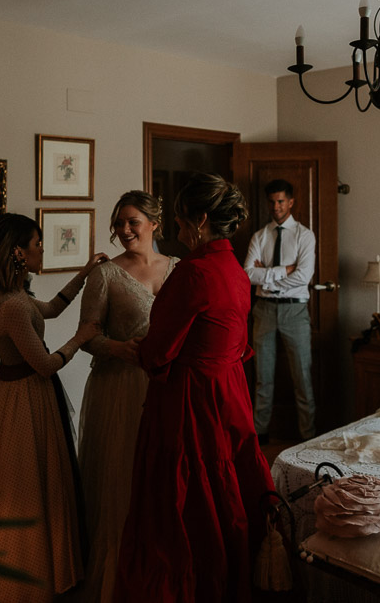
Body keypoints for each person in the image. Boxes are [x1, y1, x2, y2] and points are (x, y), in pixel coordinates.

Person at [115, 173, 275, 603]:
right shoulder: (235, 270)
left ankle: (192, 583)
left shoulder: (194, 273)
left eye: (183, 222)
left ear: (201, 220)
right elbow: (239, 343)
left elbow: (159, 350)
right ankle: (230, 573)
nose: (180, 230)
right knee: (225, 483)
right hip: (229, 390)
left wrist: (138, 351)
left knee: (183, 498)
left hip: (191, 397)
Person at [0, 212, 107, 603]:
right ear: (18, 252)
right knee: (28, 485)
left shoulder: (11, 297)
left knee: (37, 481)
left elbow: (52, 308)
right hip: (24, 400)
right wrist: (82, 338)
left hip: (21, 397)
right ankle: (27, 576)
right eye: (37, 243)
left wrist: (84, 272)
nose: (41, 250)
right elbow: (43, 365)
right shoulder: (10, 305)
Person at [77, 191, 178, 603]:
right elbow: (86, 336)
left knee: (162, 478)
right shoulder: (105, 275)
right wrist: (119, 349)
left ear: (155, 223)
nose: (123, 231)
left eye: (132, 221)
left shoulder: (179, 269)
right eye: (118, 223)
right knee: (123, 480)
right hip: (118, 390)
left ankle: (162, 568)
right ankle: (116, 576)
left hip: (166, 387)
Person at [243, 178, 317, 443]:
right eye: (272, 202)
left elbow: (304, 277)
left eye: (281, 201)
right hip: (263, 310)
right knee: (263, 378)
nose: (276, 207)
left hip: (294, 311)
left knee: (302, 377)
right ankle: (259, 436)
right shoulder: (259, 236)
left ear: (291, 202)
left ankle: (308, 437)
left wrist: (267, 276)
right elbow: (247, 274)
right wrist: (284, 270)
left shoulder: (304, 236)